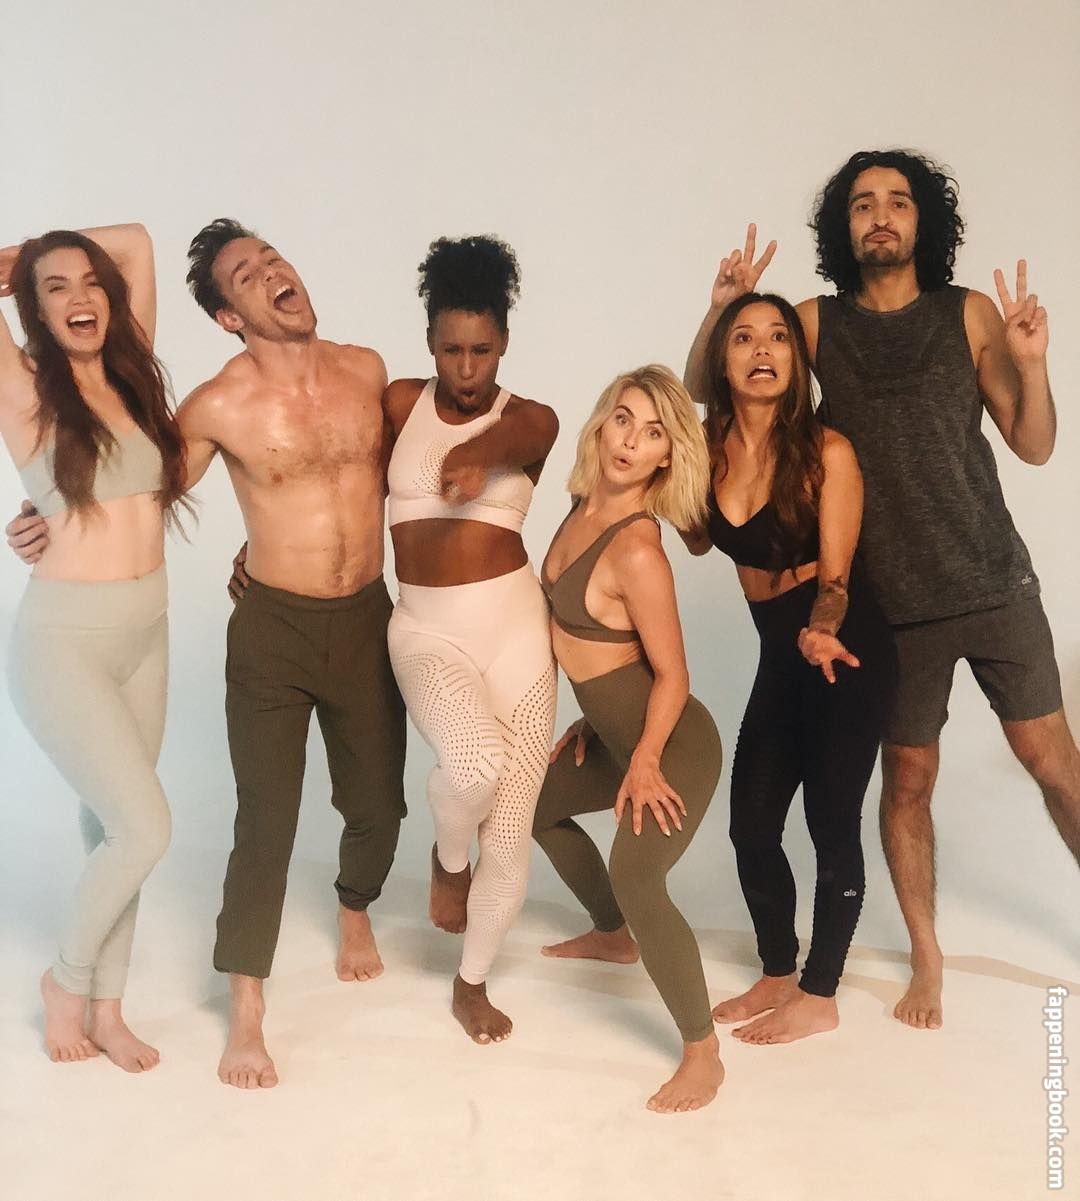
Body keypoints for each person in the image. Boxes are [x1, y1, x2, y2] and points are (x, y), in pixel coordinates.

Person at [7, 218, 408, 1088]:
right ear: (228, 318)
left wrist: (45, 263)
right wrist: (43, 513)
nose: (272, 273)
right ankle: (231, 1006)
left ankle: (121, 1000)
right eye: (246, 276)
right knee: (224, 823)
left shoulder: (365, 370)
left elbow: (140, 480)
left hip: (334, 618)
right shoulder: (206, 402)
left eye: (273, 258)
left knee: (377, 805)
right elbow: (140, 485)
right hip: (244, 626)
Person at [687, 156, 1080, 1030]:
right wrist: (720, 314)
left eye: (898, 202)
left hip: (992, 579)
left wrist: (1032, 364)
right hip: (891, 602)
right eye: (863, 204)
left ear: (921, 220)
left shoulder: (966, 312)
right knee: (907, 780)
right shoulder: (814, 323)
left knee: (1053, 761)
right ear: (845, 225)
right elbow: (709, 397)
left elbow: (1034, 443)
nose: (880, 216)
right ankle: (927, 957)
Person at [682, 287, 896, 1044]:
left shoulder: (828, 452)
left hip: (844, 649)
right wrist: (712, 312)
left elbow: (835, 580)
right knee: (750, 824)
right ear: (723, 361)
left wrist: (821, 630)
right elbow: (696, 532)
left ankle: (820, 991)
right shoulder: (707, 450)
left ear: (797, 362)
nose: (763, 350)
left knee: (831, 819)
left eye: (778, 336)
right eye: (742, 338)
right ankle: (778, 969)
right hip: (780, 653)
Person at [0, 223, 184, 1072]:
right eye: (55, 289)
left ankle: (109, 1010)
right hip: (65, 644)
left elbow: (137, 243)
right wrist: (20, 266)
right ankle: (65, 981)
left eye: (89, 282)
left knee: (114, 827)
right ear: (32, 312)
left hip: (148, 630)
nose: (80, 298)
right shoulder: (26, 390)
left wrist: (43, 253)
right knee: (145, 827)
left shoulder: (129, 374)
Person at [533, 365, 724, 1113]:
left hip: (673, 745)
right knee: (535, 808)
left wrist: (642, 757)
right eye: (624, 419)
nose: (630, 441)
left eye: (653, 433)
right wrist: (598, 717)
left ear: (667, 456)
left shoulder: (639, 549)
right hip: (616, 734)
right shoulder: (580, 504)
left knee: (640, 876)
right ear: (603, 420)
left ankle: (703, 1053)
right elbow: (603, 652)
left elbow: (672, 674)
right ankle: (612, 934)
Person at [383, 235, 558, 1044]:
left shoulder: (531, 418)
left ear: (504, 344)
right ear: (429, 342)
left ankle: (472, 980)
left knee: (512, 829)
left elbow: (511, 438)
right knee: (473, 767)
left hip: (519, 636)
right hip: (427, 631)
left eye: (481, 350)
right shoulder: (398, 404)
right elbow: (336, 483)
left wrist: (474, 457)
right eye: (450, 349)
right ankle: (449, 858)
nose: (465, 367)